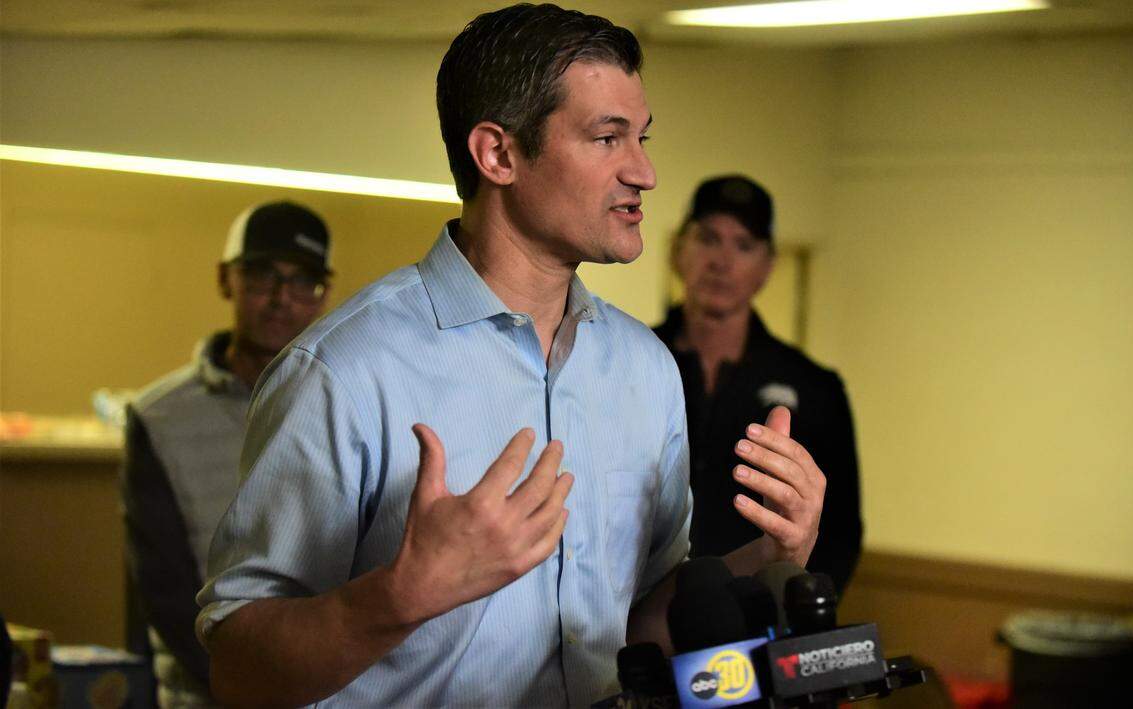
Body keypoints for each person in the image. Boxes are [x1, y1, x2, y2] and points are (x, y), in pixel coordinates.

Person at [197, 5, 826, 707]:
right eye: (607, 137)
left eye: (641, 137)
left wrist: (767, 553)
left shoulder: (646, 368)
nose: (645, 172)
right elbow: (236, 668)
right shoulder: (343, 370)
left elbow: (643, 622)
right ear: (497, 154)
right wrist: (399, 596)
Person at [120, 200, 331, 707]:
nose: (281, 298)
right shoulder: (160, 416)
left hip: (324, 684)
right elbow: (163, 589)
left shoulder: (343, 401)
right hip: (204, 691)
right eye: (261, 276)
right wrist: (244, 682)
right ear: (224, 280)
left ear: (324, 295)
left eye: (303, 280)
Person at [654, 175, 863, 595]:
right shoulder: (629, 362)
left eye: (744, 245)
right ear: (679, 250)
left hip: (761, 620)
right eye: (708, 238)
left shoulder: (815, 388)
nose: (722, 261)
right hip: (636, 620)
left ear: (766, 267)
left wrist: (788, 610)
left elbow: (839, 533)